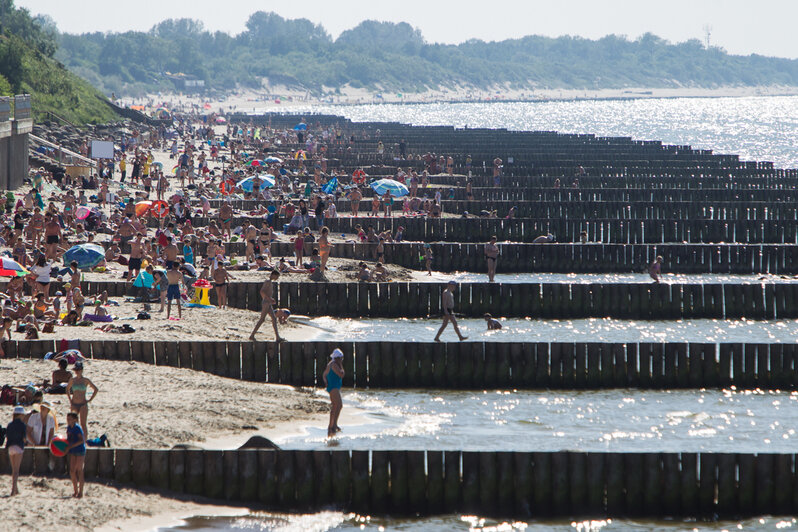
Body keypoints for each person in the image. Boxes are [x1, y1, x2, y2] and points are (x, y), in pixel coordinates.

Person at [66, 361, 98, 439]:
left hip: (83, 404)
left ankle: (85, 440)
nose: (77, 371)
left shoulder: (85, 380)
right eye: (76, 370)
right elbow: (67, 389)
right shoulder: (72, 380)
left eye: (78, 369)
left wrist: (90, 399)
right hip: (74, 404)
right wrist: (70, 399)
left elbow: (95, 389)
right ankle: (73, 439)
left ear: (82, 370)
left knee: (83, 424)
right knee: (73, 423)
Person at [250, 270, 283, 341]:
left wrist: (270, 299)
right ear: (274, 275)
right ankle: (252, 335)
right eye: (277, 276)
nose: (277, 278)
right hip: (266, 303)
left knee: (274, 318)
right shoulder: (267, 282)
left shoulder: (270, 282)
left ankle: (277, 337)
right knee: (262, 319)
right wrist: (269, 299)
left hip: (268, 302)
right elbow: (262, 291)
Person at [322, 348, 345, 438]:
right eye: (341, 358)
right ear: (338, 358)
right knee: (337, 406)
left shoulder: (330, 364)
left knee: (337, 406)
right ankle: (331, 426)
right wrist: (342, 366)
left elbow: (324, 374)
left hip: (333, 387)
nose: (342, 360)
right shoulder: (335, 365)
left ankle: (334, 424)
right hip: (333, 388)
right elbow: (341, 374)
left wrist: (325, 381)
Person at [6, 405, 27, 496]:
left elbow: (7, 436)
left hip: (10, 447)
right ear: (21, 415)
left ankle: (16, 489)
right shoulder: (23, 425)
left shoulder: (10, 424)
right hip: (18, 447)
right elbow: (24, 438)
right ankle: (13, 490)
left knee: (13, 469)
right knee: (16, 470)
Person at [65, 411, 86, 498]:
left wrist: (71, 446)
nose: (68, 420)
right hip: (72, 451)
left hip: (80, 450)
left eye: (70, 419)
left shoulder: (77, 428)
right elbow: (68, 439)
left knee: (79, 470)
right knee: (72, 471)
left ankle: (81, 492)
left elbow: (81, 441)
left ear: (75, 420)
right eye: (67, 419)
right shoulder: (69, 428)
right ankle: (75, 491)